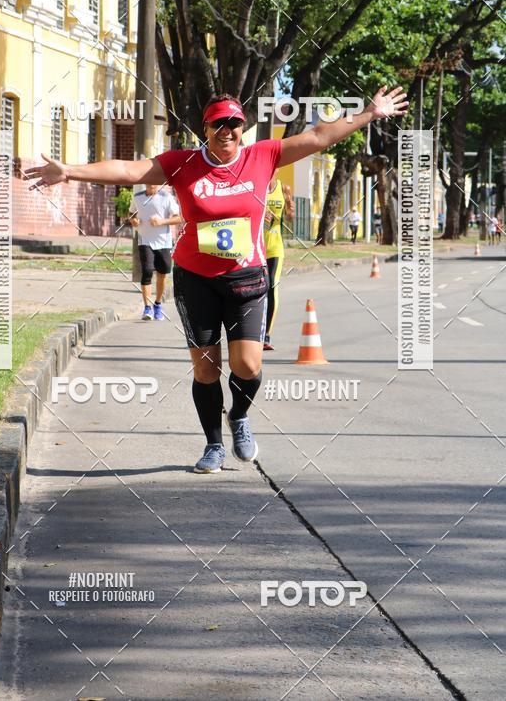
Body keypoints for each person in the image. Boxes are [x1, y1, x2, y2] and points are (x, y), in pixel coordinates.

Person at [24, 86, 408, 474]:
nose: (227, 130)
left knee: (248, 366)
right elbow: (128, 170)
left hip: (246, 279)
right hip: (196, 280)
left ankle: (238, 415)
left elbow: (319, 137)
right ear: (205, 128)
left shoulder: (263, 156)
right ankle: (213, 444)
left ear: (243, 127)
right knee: (206, 370)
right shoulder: (183, 163)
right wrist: (70, 171)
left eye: (234, 123)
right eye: (218, 124)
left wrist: (369, 114)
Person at [128, 184, 182, 320]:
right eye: (149, 181)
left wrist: (162, 222)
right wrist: (133, 220)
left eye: (154, 181)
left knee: (162, 273)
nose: (152, 184)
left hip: (163, 242)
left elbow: (178, 218)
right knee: (147, 271)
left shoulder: (166, 197)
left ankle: (157, 304)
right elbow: (131, 213)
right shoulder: (137, 197)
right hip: (144, 240)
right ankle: (147, 308)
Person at [263, 171, 294, 351]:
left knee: (271, 287)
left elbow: (289, 218)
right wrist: (261, 213)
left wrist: (290, 209)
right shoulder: (255, 186)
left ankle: (266, 335)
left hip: (275, 247)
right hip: (255, 247)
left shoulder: (283, 189)